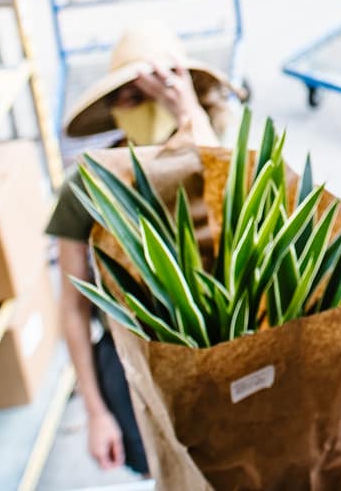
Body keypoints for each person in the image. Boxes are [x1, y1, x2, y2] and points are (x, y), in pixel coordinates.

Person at [44, 25, 240, 475]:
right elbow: (74, 306)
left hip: (223, 349)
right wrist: (95, 412)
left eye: (159, 91)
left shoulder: (213, 155)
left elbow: (235, 202)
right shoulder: (89, 182)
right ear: (113, 109)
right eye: (132, 97)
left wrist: (187, 110)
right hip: (131, 371)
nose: (148, 105)